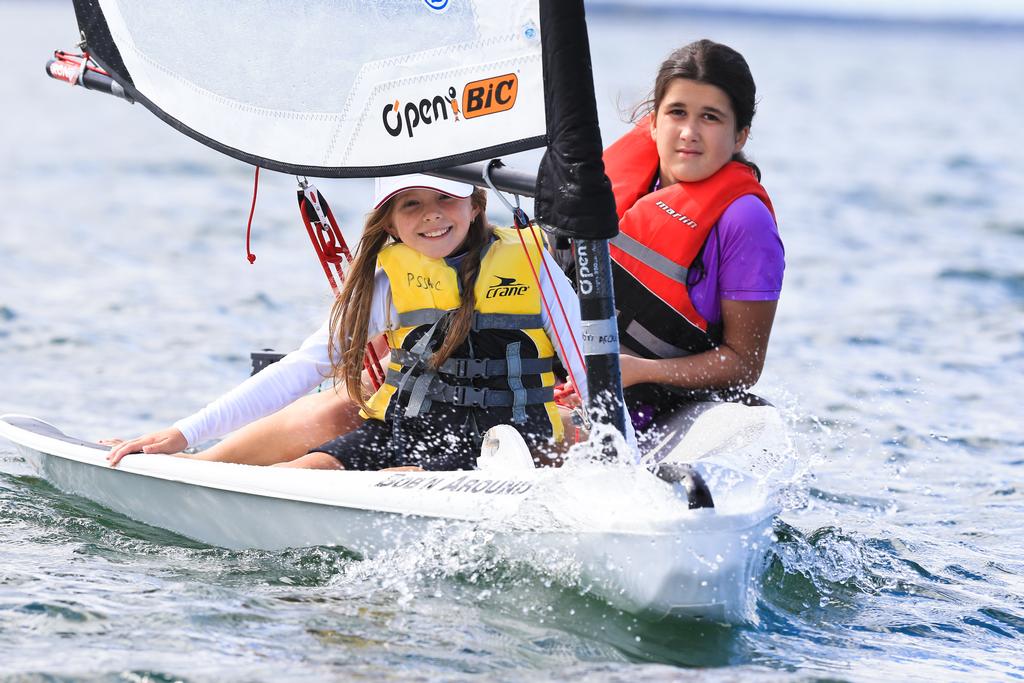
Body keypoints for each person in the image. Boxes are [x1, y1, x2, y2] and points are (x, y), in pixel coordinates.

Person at [108, 175, 587, 469]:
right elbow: (303, 367)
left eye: (445, 198)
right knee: (299, 477)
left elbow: (587, 369)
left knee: (401, 482)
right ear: (391, 223)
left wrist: (618, 464)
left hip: (500, 445)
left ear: (476, 205)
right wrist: (184, 433)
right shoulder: (387, 283)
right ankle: (197, 469)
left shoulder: (532, 266)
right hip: (405, 431)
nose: (432, 216)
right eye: (411, 204)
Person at [596, 39, 785, 434]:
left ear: (740, 137)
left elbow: (744, 364)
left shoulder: (745, 222)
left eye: (711, 117)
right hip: (559, 374)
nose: (689, 132)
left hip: (654, 401)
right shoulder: (603, 184)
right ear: (653, 121)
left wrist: (639, 370)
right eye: (677, 112)